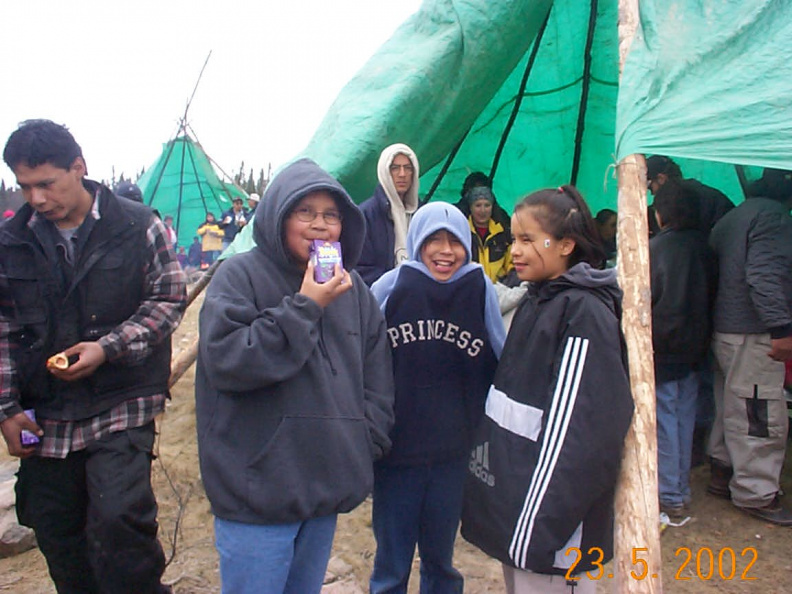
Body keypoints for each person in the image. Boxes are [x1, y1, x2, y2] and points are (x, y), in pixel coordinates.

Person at [0, 119, 187, 593]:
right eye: (25, 187)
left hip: (123, 399)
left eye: (46, 183)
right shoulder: (11, 244)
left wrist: (108, 348)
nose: (37, 199)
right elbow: (2, 327)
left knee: (120, 519)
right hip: (49, 411)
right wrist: (5, 410)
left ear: (78, 168)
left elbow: (168, 299)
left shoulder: (137, 225)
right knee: (55, 525)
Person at [195, 157, 395, 594]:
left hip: (323, 483)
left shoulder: (353, 288)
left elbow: (377, 372)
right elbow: (229, 360)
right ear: (279, 216)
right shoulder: (239, 276)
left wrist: (365, 439)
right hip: (257, 491)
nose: (319, 225)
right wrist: (306, 305)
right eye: (305, 212)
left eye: (331, 215)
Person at [461, 186, 634, 594]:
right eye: (514, 239)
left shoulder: (583, 314)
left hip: (552, 534)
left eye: (527, 240)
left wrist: (536, 527)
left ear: (566, 244)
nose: (515, 251)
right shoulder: (538, 300)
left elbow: (578, 436)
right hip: (518, 506)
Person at [368, 202, 505, 593]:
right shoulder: (390, 288)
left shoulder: (480, 289)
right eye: (434, 240)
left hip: (452, 455)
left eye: (455, 241)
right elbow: (360, 356)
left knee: (441, 560)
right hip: (396, 455)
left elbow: (501, 355)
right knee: (392, 562)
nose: (446, 251)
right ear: (416, 242)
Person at [707, 167, 792, 526]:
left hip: (723, 328)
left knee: (729, 403)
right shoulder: (773, 218)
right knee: (759, 413)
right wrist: (781, 328)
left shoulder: (732, 218)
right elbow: (764, 275)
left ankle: (722, 471)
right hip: (753, 332)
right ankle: (756, 492)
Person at [649, 182, 715, 517]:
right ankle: (680, 488)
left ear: (661, 213)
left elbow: (647, 298)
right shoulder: (705, 245)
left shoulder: (657, 249)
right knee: (685, 418)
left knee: (664, 420)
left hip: (663, 347)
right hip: (696, 346)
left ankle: (670, 495)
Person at [357, 143, 420, 286]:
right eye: (395, 168)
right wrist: (397, 283)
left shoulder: (421, 214)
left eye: (408, 168)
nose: (402, 174)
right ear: (384, 172)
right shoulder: (366, 215)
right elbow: (361, 268)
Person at [646, 155, 734, 232]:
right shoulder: (698, 191)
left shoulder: (682, 201)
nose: (652, 194)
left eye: (650, 188)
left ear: (661, 179)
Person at [465, 185, 513, 283]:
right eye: (478, 205)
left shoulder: (503, 233)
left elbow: (512, 264)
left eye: (487, 205)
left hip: (500, 291)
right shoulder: (463, 233)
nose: (483, 210)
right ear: (470, 207)